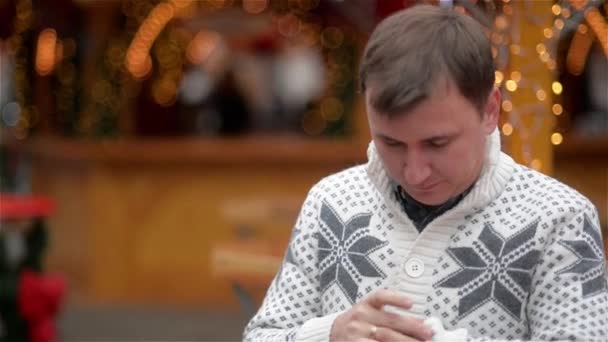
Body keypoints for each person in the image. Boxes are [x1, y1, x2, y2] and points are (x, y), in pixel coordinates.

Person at [243, 4, 608, 341]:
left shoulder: (560, 218)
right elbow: (261, 336)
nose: (415, 172)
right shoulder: (331, 202)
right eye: (391, 143)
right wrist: (332, 333)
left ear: (490, 110)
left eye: (437, 144)